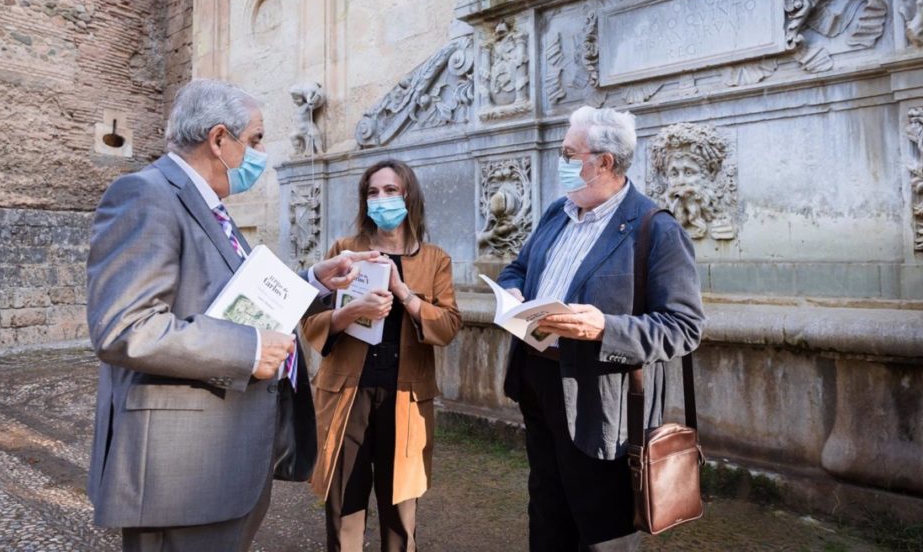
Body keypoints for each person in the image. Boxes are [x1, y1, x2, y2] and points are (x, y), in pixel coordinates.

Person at [86, 78, 377, 552]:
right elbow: (126, 328)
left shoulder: (210, 207)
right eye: (256, 139)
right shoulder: (145, 196)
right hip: (179, 476)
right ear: (219, 139)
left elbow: (236, 299)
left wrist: (314, 280)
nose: (260, 153)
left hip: (221, 464)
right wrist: (249, 350)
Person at [497, 106, 705, 551]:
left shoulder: (656, 228)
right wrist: (512, 292)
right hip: (539, 384)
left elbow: (684, 327)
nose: (561, 161)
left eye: (569, 153)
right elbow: (515, 268)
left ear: (604, 162)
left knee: (602, 530)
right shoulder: (558, 211)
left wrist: (603, 328)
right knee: (548, 514)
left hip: (604, 406)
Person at [302, 159, 462, 552]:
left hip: (406, 398)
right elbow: (310, 322)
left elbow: (447, 326)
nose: (381, 199)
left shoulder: (435, 259)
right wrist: (350, 312)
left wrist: (404, 294)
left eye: (391, 190)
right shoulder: (346, 251)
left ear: (409, 196)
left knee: (400, 512)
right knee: (344, 506)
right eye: (373, 192)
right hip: (347, 393)